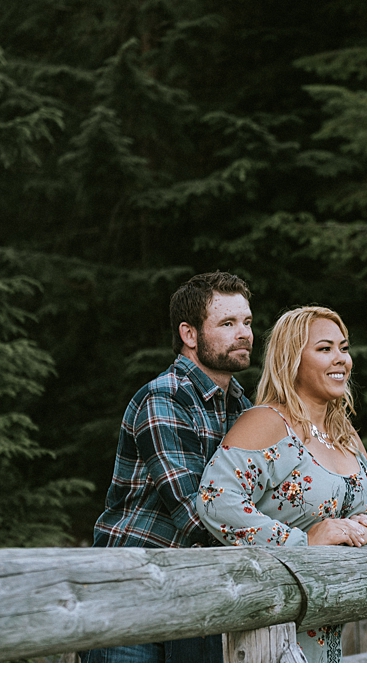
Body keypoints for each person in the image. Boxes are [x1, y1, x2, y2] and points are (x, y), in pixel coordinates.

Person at [198, 305, 367, 663]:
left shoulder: (345, 434)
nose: (341, 360)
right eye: (325, 349)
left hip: (329, 628)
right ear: (292, 359)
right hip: (272, 628)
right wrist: (304, 542)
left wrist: (366, 531)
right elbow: (216, 500)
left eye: (344, 348)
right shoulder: (268, 422)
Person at [80, 272, 256, 664]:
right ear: (189, 335)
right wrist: (295, 540)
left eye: (246, 322)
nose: (244, 334)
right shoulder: (164, 398)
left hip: (198, 593)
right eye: (227, 324)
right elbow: (197, 515)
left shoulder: (244, 409)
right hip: (129, 591)